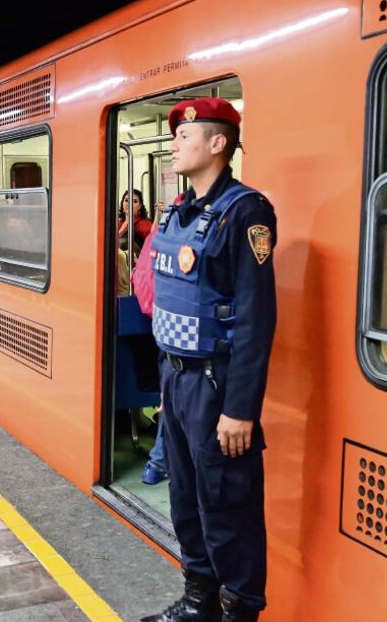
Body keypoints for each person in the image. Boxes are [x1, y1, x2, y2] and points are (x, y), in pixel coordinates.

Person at [141, 98, 276, 622]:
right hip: (175, 380)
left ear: (218, 144)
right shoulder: (178, 210)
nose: (173, 143)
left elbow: (256, 318)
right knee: (186, 496)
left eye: (184, 135)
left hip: (215, 384)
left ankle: (240, 610)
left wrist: (240, 408)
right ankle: (199, 602)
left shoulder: (246, 213)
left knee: (227, 504)